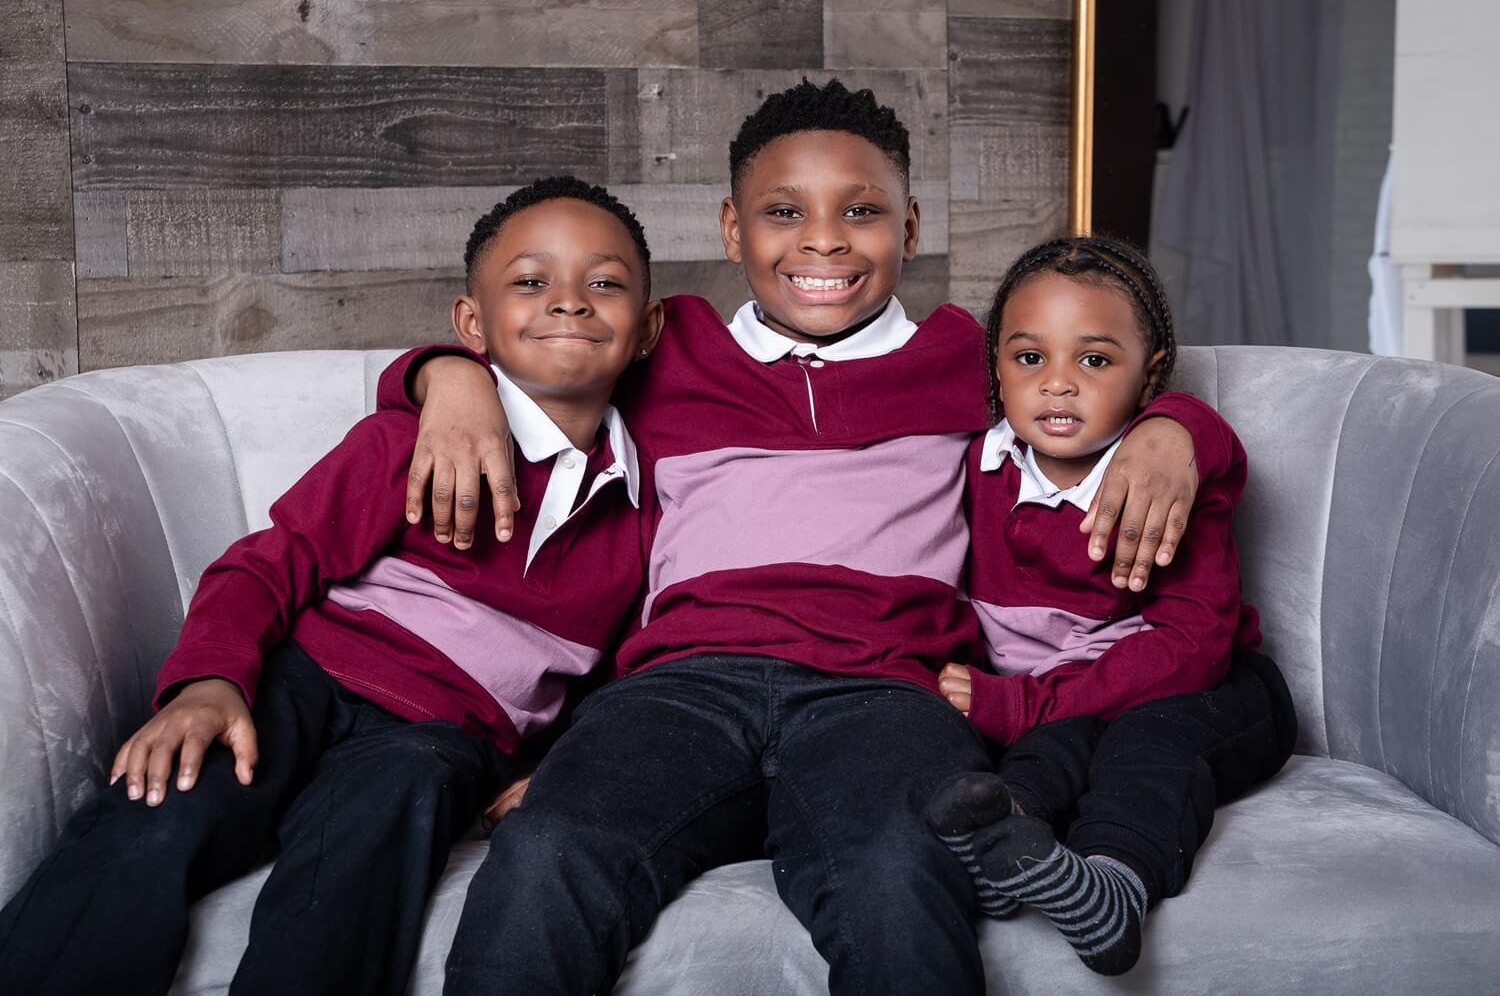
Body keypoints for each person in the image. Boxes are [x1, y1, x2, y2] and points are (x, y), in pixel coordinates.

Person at [377, 80, 1230, 996]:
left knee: (900, 872)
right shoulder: (667, 351)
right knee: (547, 850)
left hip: (885, 694)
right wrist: (442, 376)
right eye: (784, 212)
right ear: (734, 230)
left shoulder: (964, 360)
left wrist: (1177, 427)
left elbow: (1093, 377)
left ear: (907, 227)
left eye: (859, 211)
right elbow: (535, 358)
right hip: (682, 686)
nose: (823, 239)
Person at [0, 176, 662, 996]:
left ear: (648, 328)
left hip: (443, 734)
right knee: (157, 810)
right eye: (531, 282)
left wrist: (572, 765)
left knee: (372, 836)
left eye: (604, 283)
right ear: (471, 324)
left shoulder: (651, 507)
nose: (569, 303)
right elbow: (270, 562)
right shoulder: (409, 439)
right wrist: (208, 682)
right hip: (302, 680)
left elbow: (638, 674)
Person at [926, 236, 1297, 976]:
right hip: (1070, 700)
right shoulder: (977, 464)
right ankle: (1007, 853)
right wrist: (1022, 707)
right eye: (1030, 358)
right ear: (995, 365)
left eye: (1094, 360)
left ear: (1150, 373)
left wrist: (1025, 703)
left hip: (1209, 687)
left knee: (1145, 745)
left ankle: (1115, 888)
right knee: (1045, 753)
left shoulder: (1161, 481)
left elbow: (1190, 648)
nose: (1058, 384)